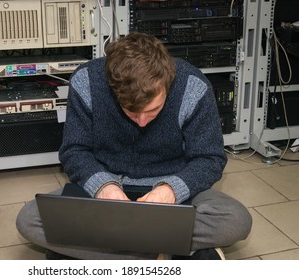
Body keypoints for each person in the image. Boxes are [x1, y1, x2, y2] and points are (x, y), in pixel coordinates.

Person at [16, 32, 252, 260]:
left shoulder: (193, 86)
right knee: (29, 219)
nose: (141, 122)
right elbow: (74, 151)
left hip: (171, 189)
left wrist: (170, 191)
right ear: (113, 88)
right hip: (106, 187)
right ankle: (163, 254)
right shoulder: (86, 80)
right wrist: (104, 188)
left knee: (237, 221)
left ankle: (105, 252)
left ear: (167, 85)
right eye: (130, 111)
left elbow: (209, 159)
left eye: (152, 111)